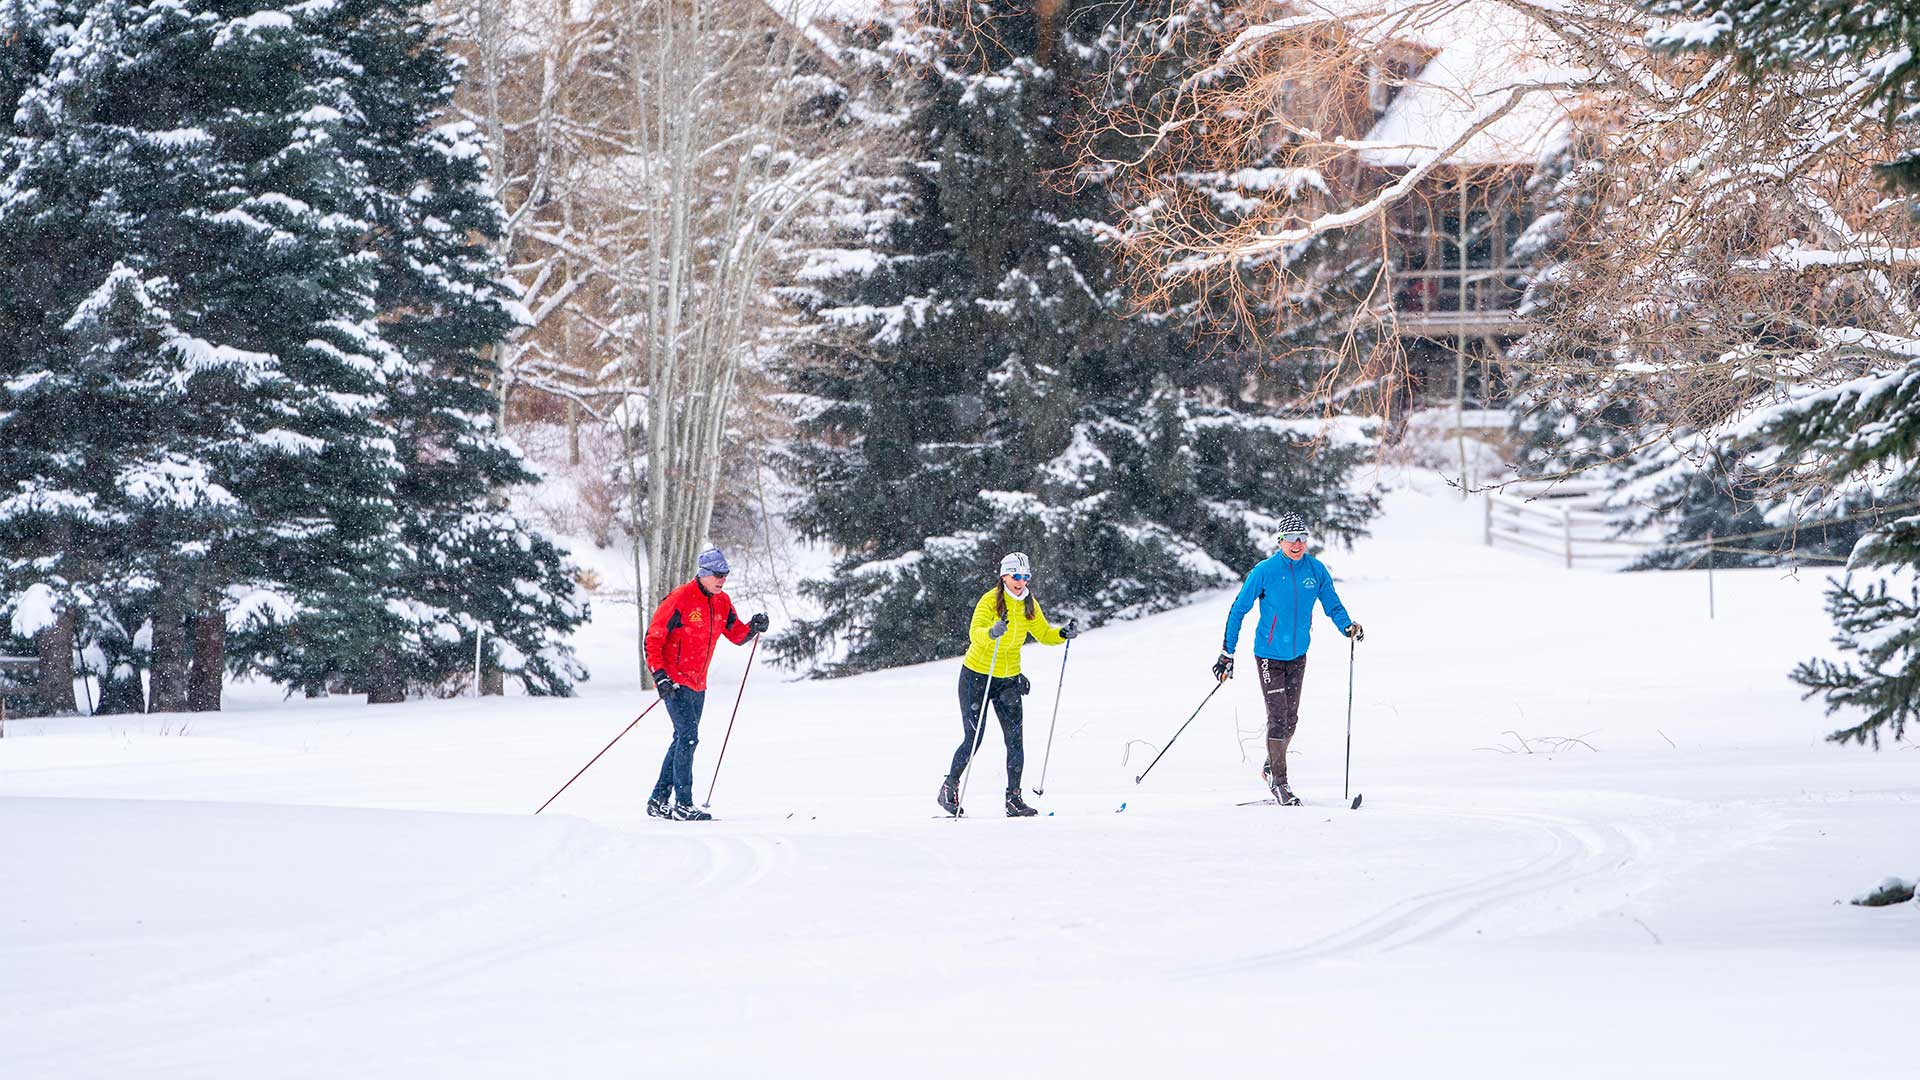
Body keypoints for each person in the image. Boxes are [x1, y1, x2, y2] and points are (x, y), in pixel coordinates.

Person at [1214, 512, 1363, 806]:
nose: (1298, 544)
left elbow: (1332, 605)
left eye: (1303, 538)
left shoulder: (1315, 570)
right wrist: (1227, 652)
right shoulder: (1265, 571)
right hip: (1268, 654)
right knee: (1278, 717)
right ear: (1280, 541)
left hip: (1298, 653)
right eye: (1292, 538)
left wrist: (1346, 625)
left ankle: (1271, 766)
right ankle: (1280, 783)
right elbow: (1238, 609)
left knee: (1291, 718)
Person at [937, 552, 1079, 817]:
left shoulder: (1029, 604)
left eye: (1026, 577)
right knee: (974, 737)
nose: (1021, 582)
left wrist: (1062, 634)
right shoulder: (990, 601)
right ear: (1004, 576)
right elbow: (975, 633)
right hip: (977, 676)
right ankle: (949, 787)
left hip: (1009, 679)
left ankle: (1013, 799)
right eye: (1016, 576)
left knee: (1015, 740)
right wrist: (991, 632)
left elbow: (1044, 634)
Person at [644, 547, 768, 821]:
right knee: (688, 737)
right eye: (717, 575)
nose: (722, 580)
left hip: (698, 683)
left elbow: (736, 634)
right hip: (674, 681)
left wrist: (753, 627)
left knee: (681, 739)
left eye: (725, 575)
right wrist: (660, 676)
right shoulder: (680, 599)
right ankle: (683, 804)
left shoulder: (722, 602)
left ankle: (657, 800)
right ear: (703, 574)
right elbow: (653, 639)